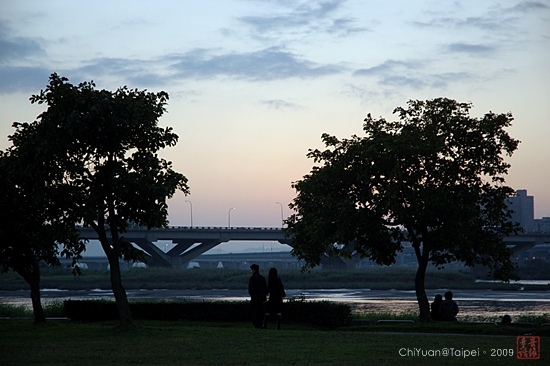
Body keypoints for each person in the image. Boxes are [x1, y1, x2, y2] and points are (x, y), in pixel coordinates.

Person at [248, 263, 267, 329]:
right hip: (261, 298)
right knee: (261, 312)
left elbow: (251, 289)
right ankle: (260, 324)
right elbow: (265, 288)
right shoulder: (262, 278)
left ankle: (256, 325)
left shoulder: (252, 278)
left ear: (253, 270)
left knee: (253, 312)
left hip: (254, 298)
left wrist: (253, 296)